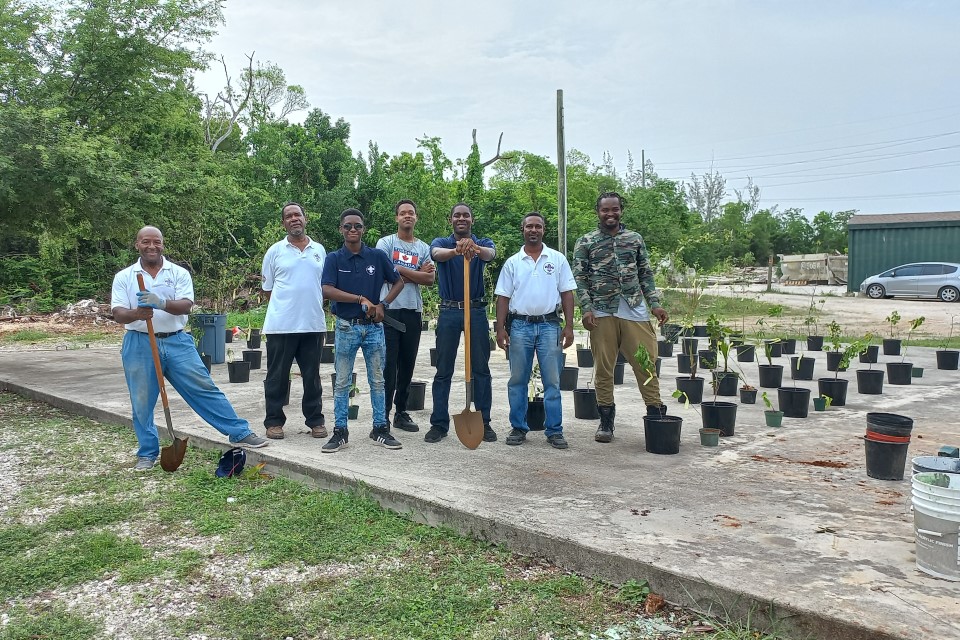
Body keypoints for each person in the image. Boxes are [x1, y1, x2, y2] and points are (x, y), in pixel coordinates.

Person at [111, 226, 267, 471]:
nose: (152, 246)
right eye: (145, 242)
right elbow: (118, 313)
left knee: (204, 387)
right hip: (139, 342)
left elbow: (185, 306)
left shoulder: (178, 273)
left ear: (162, 244)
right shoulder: (125, 276)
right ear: (137, 245)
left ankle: (239, 431)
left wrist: (160, 303)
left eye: (156, 242)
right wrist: (137, 313)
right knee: (141, 401)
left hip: (177, 341)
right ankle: (147, 453)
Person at [572, 192, 670, 443]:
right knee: (604, 368)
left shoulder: (634, 239)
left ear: (621, 211)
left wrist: (655, 305)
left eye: (614, 209)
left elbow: (645, 275)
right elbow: (580, 279)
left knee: (646, 363)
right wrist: (586, 308)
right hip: (602, 311)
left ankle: (655, 412)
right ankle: (606, 422)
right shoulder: (586, 241)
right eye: (605, 210)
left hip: (634, 309)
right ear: (598, 212)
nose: (610, 214)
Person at [320, 209, 405, 453]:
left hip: (374, 330)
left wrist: (383, 304)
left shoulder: (377, 257)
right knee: (342, 382)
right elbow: (327, 290)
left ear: (363, 229)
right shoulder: (334, 258)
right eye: (347, 226)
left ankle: (380, 428)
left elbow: (398, 281)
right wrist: (360, 299)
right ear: (341, 230)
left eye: (357, 225)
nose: (352, 230)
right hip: (347, 328)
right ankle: (340, 432)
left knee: (378, 381)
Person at [495, 212, 576, 449]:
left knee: (552, 380)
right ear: (522, 229)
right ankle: (518, 427)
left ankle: (554, 430)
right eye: (529, 226)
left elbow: (567, 293)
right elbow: (503, 297)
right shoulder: (513, 262)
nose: (533, 230)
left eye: (538, 226)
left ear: (543, 230)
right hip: (520, 326)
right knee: (518, 380)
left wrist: (569, 326)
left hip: (550, 325)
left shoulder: (557, 259)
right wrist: (500, 329)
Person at [425, 203, 497, 444]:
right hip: (449, 312)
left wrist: (473, 247)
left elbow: (490, 254)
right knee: (443, 369)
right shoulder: (442, 243)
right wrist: (458, 250)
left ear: (472, 220)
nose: (461, 218)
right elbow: (436, 255)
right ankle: (439, 424)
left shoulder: (483, 242)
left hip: (475, 311)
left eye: (466, 215)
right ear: (451, 220)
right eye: (457, 215)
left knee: (480, 368)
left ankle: (484, 421)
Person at [260, 202, 328, 441]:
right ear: (284, 223)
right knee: (277, 376)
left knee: (312, 376)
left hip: (312, 324)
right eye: (288, 216)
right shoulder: (275, 251)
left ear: (305, 218)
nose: (294, 219)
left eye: (297, 214)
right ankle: (274, 422)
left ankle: (315, 420)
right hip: (281, 326)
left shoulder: (319, 250)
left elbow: (324, 286)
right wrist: (287, 308)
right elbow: (268, 290)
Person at [375, 199, 435, 433]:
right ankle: (384, 416)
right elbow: (384, 273)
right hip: (389, 310)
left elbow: (429, 280)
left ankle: (401, 412)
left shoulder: (423, 247)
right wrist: (415, 273)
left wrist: (399, 270)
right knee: (389, 367)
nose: (407, 216)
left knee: (407, 365)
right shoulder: (386, 242)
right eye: (403, 213)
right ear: (396, 218)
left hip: (412, 311)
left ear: (416, 217)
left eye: (411, 213)